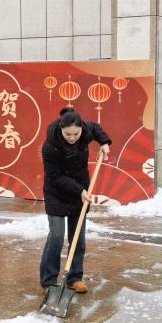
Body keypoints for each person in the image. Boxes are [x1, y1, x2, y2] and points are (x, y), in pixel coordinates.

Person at [39, 107, 112, 293]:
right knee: (56, 237)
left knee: (78, 236)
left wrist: (104, 142)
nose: (72, 137)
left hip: (80, 192)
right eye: (68, 134)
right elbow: (55, 176)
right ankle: (48, 280)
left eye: (76, 134)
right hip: (56, 193)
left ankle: (74, 278)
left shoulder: (86, 131)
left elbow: (95, 128)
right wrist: (79, 190)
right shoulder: (50, 146)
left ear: (81, 129)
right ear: (61, 129)